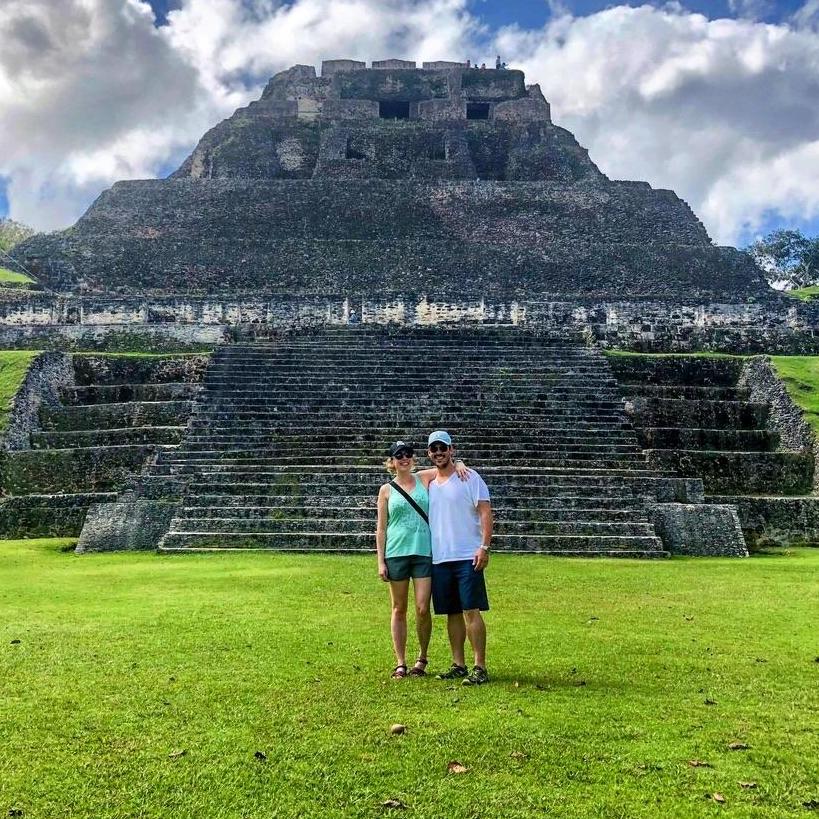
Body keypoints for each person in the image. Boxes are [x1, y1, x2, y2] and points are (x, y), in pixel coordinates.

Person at [375, 441, 469, 679]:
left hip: (423, 551)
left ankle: (422, 657)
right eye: (399, 456)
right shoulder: (386, 490)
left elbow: (444, 466)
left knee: (422, 607)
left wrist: (459, 462)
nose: (404, 459)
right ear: (392, 461)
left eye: (408, 454)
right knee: (398, 608)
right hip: (396, 552)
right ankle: (400, 661)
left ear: (413, 458)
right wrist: (380, 561)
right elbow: (381, 529)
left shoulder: (423, 478)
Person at [426, 430, 493, 686]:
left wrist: (484, 547)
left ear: (452, 450)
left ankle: (480, 666)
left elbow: (485, 512)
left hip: (468, 555)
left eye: (443, 448)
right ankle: (458, 663)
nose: (439, 453)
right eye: (434, 449)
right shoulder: (430, 483)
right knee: (451, 612)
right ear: (429, 453)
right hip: (441, 558)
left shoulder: (470, 477)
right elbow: (405, 476)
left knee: (471, 610)